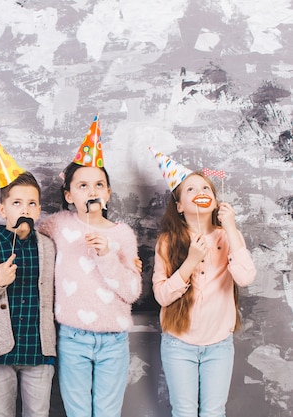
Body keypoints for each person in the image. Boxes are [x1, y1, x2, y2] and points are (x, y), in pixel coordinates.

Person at [35, 116, 142, 417]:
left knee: (108, 412)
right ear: (69, 195)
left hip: (113, 339)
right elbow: (25, 239)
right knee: (77, 411)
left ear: (108, 194)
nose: (91, 191)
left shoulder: (122, 235)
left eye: (98, 185)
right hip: (71, 336)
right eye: (82, 185)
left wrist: (108, 255)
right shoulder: (56, 225)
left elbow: (132, 291)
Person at [150, 149, 256, 417]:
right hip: (178, 343)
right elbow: (162, 296)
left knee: (213, 412)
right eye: (191, 189)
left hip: (219, 344)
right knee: (184, 411)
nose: (201, 191)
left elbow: (245, 277)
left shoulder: (226, 236)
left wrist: (230, 228)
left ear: (214, 199)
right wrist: (191, 261)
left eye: (206, 187)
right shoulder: (168, 241)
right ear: (180, 206)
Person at [0, 138, 56, 417]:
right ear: (2, 209)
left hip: (38, 348)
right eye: (17, 202)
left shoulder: (49, 246)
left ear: (39, 209)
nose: (24, 209)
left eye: (32, 203)